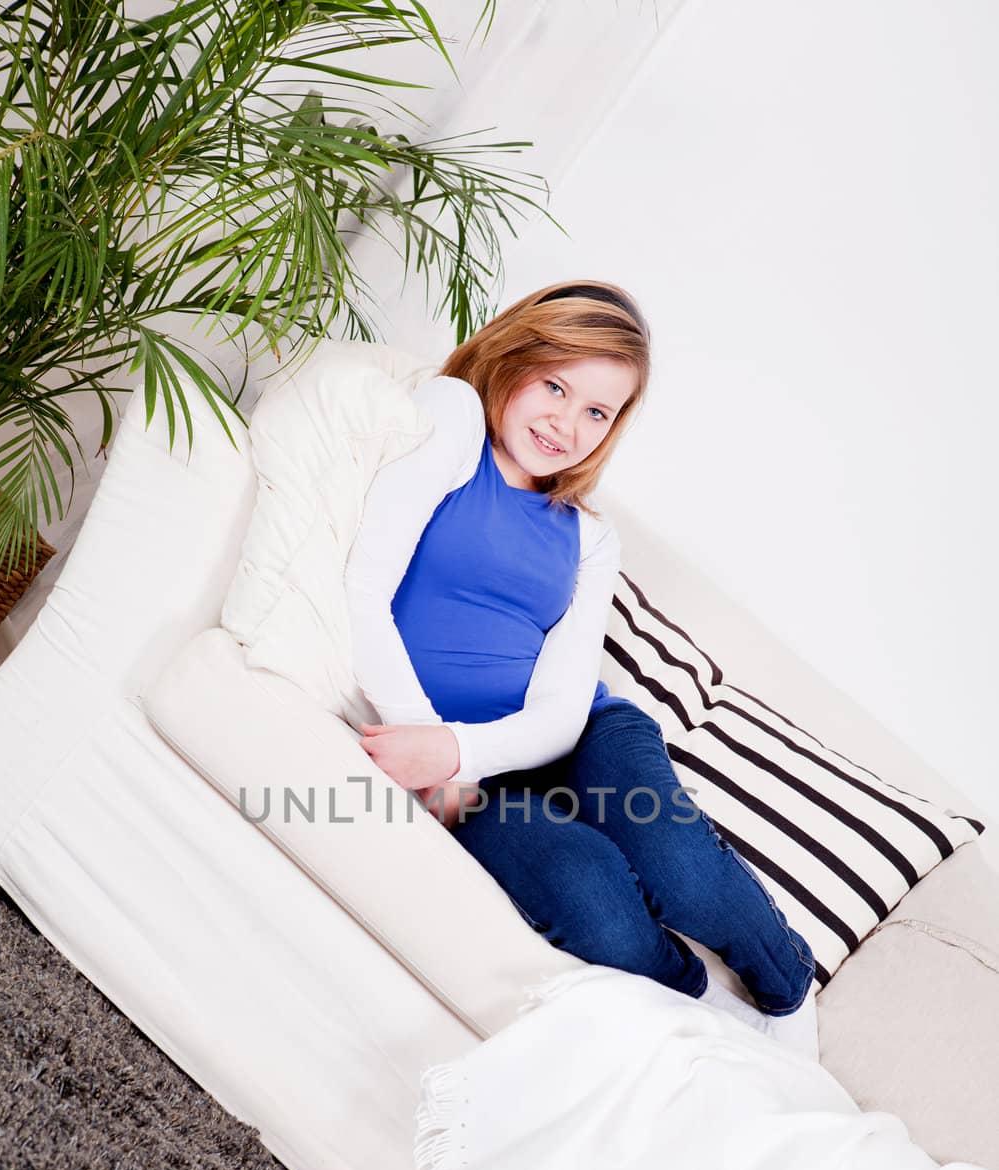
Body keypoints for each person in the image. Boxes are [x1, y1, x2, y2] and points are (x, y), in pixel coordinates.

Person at [344, 280, 817, 1052]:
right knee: (591, 901)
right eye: (554, 385)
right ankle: (697, 1004)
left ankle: (787, 988)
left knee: (684, 872)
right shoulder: (454, 424)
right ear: (510, 356)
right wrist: (428, 741)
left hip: (578, 738)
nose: (566, 422)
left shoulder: (588, 539)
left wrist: (455, 752)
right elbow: (365, 590)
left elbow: (562, 709)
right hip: (479, 784)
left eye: (595, 411)